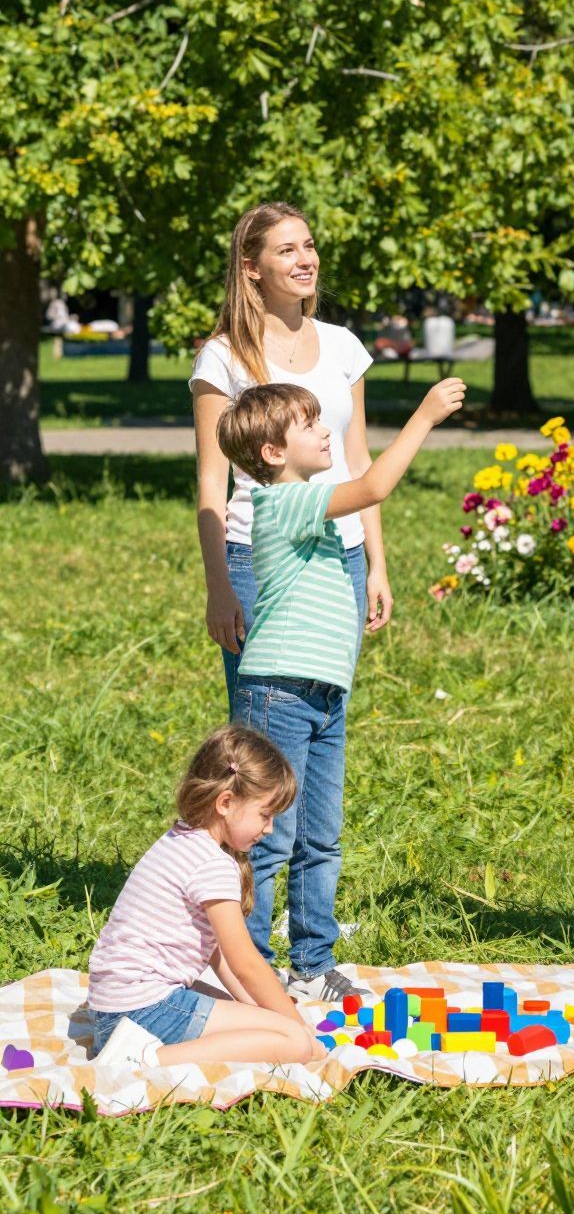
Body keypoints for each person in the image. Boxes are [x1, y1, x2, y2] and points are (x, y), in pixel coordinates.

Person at [215, 372, 465, 1000]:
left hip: (321, 696)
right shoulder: (284, 503)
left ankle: (312, 963)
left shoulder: (308, 502)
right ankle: (250, 967)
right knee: (267, 837)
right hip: (279, 695)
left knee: (320, 836)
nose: (328, 430)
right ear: (273, 452)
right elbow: (375, 484)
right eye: (310, 424)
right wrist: (425, 417)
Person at [191, 202, 392, 707]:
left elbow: (358, 462)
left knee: (325, 712)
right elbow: (213, 482)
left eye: (309, 245)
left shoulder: (344, 346)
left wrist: (376, 564)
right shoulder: (223, 357)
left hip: (341, 556)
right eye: (286, 250)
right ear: (251, 268)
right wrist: (219, 586)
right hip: (260, 559)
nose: (306, 260)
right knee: (261, 718)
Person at [87, 725, 326, 1073]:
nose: (270, 828)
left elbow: (216, 952)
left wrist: (257, 1010)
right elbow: (245, 962)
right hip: (143, 1011)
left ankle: (138, 1050)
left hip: (111, 1009)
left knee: (264, 1025)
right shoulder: (212, 864)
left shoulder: (181, 839)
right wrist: (297, 1025)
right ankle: (141, 1060)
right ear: (225, 803)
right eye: (265, 814)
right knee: (294, 1043)